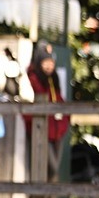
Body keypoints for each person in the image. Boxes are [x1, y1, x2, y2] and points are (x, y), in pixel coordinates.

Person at [23, 41, 70, 184]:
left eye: (51, 62)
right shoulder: (33, 78)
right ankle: (43, 195)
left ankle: (49, 197)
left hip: (58, 129)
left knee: (53, 169)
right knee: (50, 168)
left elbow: (60, 100)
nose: (49, 66)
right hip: (42, 129)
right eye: (46, 62)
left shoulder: (54, 79)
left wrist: (65, 120)